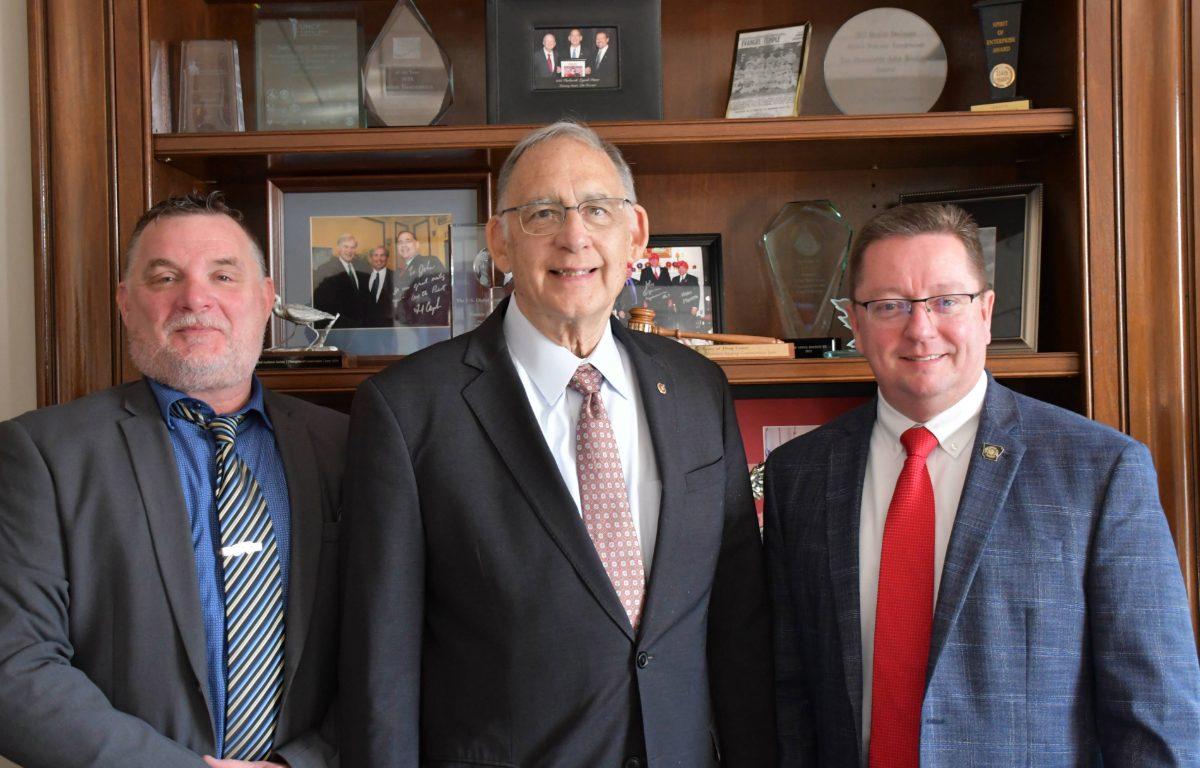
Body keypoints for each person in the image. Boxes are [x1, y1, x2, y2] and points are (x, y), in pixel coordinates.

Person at [340, 120, 775, 767]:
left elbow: (739, 626)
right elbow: (381, 669)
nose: (575, 237)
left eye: (598, 209)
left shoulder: (696, 389)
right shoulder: (407, 411)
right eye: (543, 213)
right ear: (500, 241)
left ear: (635, 233)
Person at [764, 202, 1200, 767]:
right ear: (856, 322)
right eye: (890, 305)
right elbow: (790, 695)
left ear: (986, 312)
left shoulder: (1099, 471)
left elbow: (1154, 714)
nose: (921, 329)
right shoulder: (798, 474)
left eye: (947, 300)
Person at [0, 192, 346, 768]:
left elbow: (393, 643)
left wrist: (305, 761)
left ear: (266, 300)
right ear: (125, 303)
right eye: (165, 278)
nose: (195, 299)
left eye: (223, 276)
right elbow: (14, 665)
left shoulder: (347, 448)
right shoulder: (42, 454)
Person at [392, 230, 449, 326]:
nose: (403, 245)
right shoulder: (398, 272)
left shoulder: (430, 262)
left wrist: (435, 329)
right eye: (400, 242)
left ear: (417, 244)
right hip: (404, 325)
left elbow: (441, 297)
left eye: (408, 241)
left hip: (424, 327)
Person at [313, 232, 367, 327]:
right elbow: (322, 303)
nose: (349, 251)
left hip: (360, 323)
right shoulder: (326, 269)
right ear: (338, 248)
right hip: (338, 325)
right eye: (346, 247)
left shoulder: (362, 267)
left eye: (352, 247)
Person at [363, 244, 396, 327]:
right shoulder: (362, 277)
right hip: (365, 325)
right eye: (376, 255)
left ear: (387, 258)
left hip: (388, 326)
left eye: (382, 255)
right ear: (371, 258)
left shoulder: (396, 277)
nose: (379, 259)